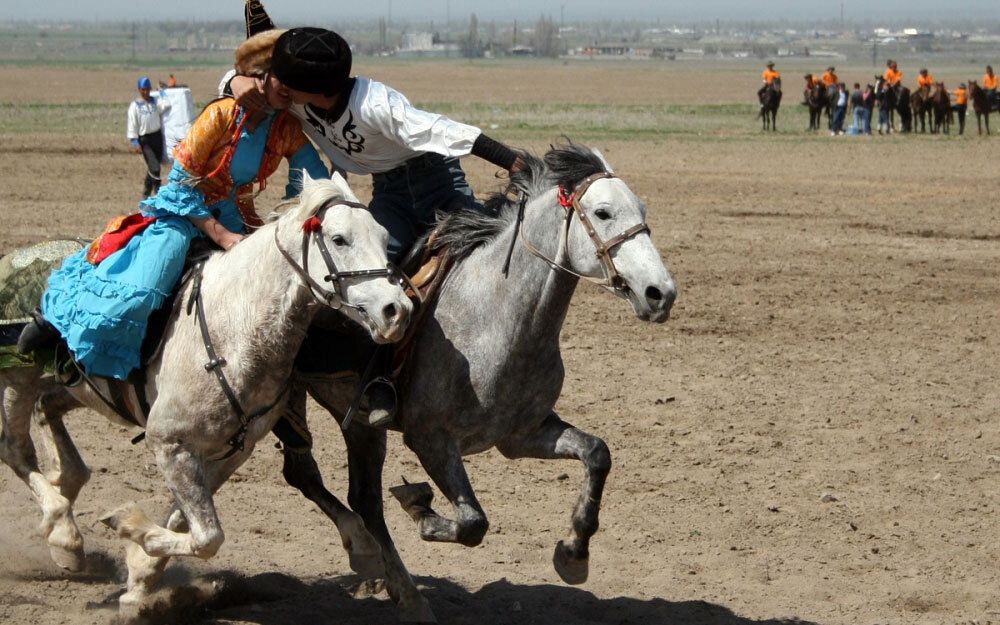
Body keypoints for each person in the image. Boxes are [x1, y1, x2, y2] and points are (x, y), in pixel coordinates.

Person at [17, 30, 329, 379]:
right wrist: (221, 235)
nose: (288, 88)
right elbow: (180, 182)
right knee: (142, 288)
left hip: (241, 219)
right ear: (259, 77)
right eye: (281, 78)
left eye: (294, 82)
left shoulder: (286, 128)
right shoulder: (220, 116)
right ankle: (56, 326)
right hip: (186, 214)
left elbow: (313, 178)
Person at [226, 27, 523, 263]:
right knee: (371, 264)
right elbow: (244, 81)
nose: (276, 83)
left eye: (285, 79)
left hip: (437, 182)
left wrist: (512, 162)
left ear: (310, 88)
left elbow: (443, 130)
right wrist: (234, 81)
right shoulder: (296, 101)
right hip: (390, 192)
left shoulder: (375, 103)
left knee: (483, 250)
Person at [126, 76, 171, 199]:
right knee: (155, 167)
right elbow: (132, 124)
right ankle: (158, 193)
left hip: (157, 138)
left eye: (147, 89)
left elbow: (166, 104)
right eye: (142, 90)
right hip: (145, 140)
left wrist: (161, 91)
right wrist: (135, 142)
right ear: (139, 90)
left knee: (153, 167)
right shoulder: (135, 106)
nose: (145, 92)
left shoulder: (155, 102)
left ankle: (145, 194)